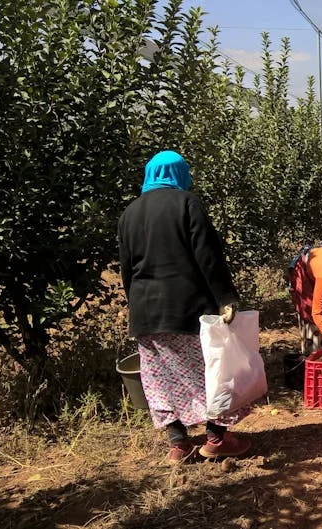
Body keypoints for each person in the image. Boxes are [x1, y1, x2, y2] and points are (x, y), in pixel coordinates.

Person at [118, 150, 250, 463]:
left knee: (159, 379)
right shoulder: (186, 204)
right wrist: (226, 297)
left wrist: (135, 302)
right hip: (187, 308)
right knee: (210, 372)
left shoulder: (129, 214)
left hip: (146, 313)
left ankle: (178, 443)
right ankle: (217, 438)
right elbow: (208, 256)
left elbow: (126, 268)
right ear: (179, 173)